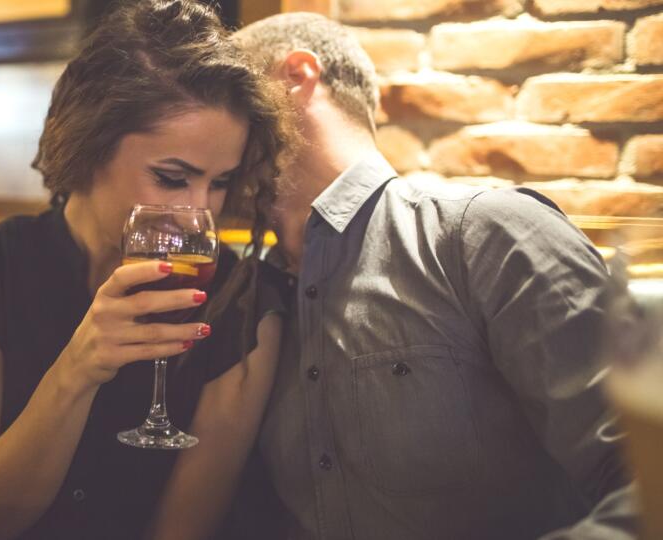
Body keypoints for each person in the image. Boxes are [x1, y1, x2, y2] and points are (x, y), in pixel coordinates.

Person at [234, 12, 638, 540]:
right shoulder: (244, 298)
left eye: (232, 95)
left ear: (296, 75)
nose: (214, 126)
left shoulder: (488, 233)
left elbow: (642, 476)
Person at [0, 1, 292, 538]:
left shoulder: (244, 303)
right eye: (171, 178)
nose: (201, 211)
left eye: (219, 182)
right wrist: (77, 371)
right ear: (89, 145)